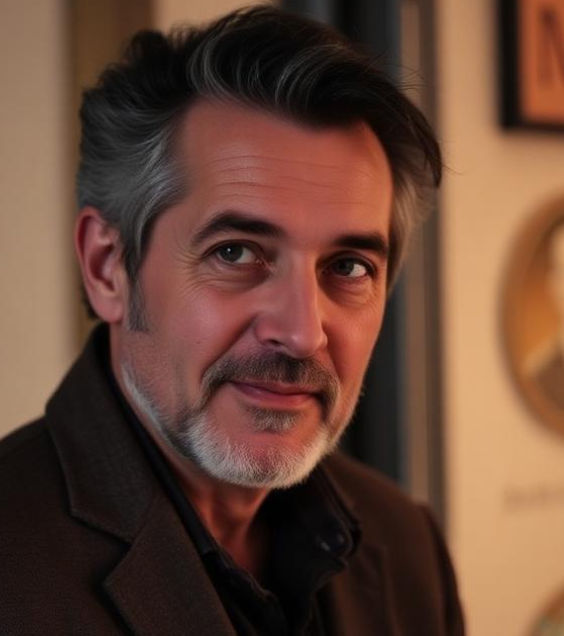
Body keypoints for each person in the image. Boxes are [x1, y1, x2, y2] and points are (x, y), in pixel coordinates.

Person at [0, 6, 464, 635]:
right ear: (108, 268)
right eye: (236, 253)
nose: (301, 333)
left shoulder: (407, 543)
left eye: (348, 266)